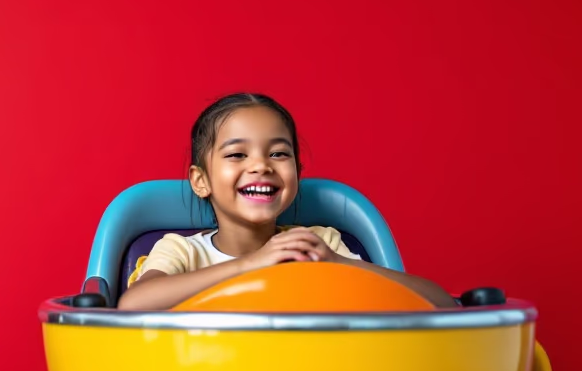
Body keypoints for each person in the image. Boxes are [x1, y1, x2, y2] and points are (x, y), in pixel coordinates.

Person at [117, 93, 455, 311]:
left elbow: (439, 303)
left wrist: (336, 262)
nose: (261, 165)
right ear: (200, 181)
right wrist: (250, 265)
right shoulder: (181, 250)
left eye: (278, 154)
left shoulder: (321, 243)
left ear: (297, 173)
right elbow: (134, 305)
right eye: (237, 154)